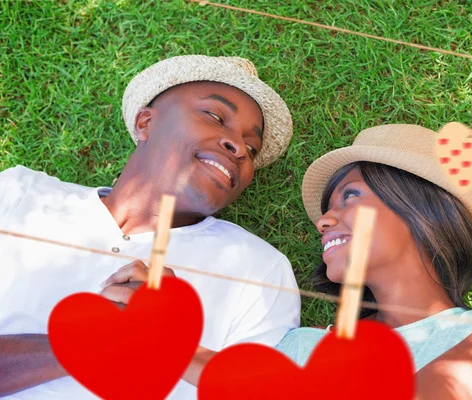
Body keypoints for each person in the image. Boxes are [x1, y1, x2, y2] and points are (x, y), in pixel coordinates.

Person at [0, 55, 301, 398]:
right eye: (215, 117)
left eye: (252, 147)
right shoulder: (19, 194)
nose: (239, 148)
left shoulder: (258, 270)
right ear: (146, 122)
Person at [275, 124, 472, 399]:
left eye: (350, 196)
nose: (323, 221)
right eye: (328, 208)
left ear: (419, 208)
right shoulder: (301, 346)